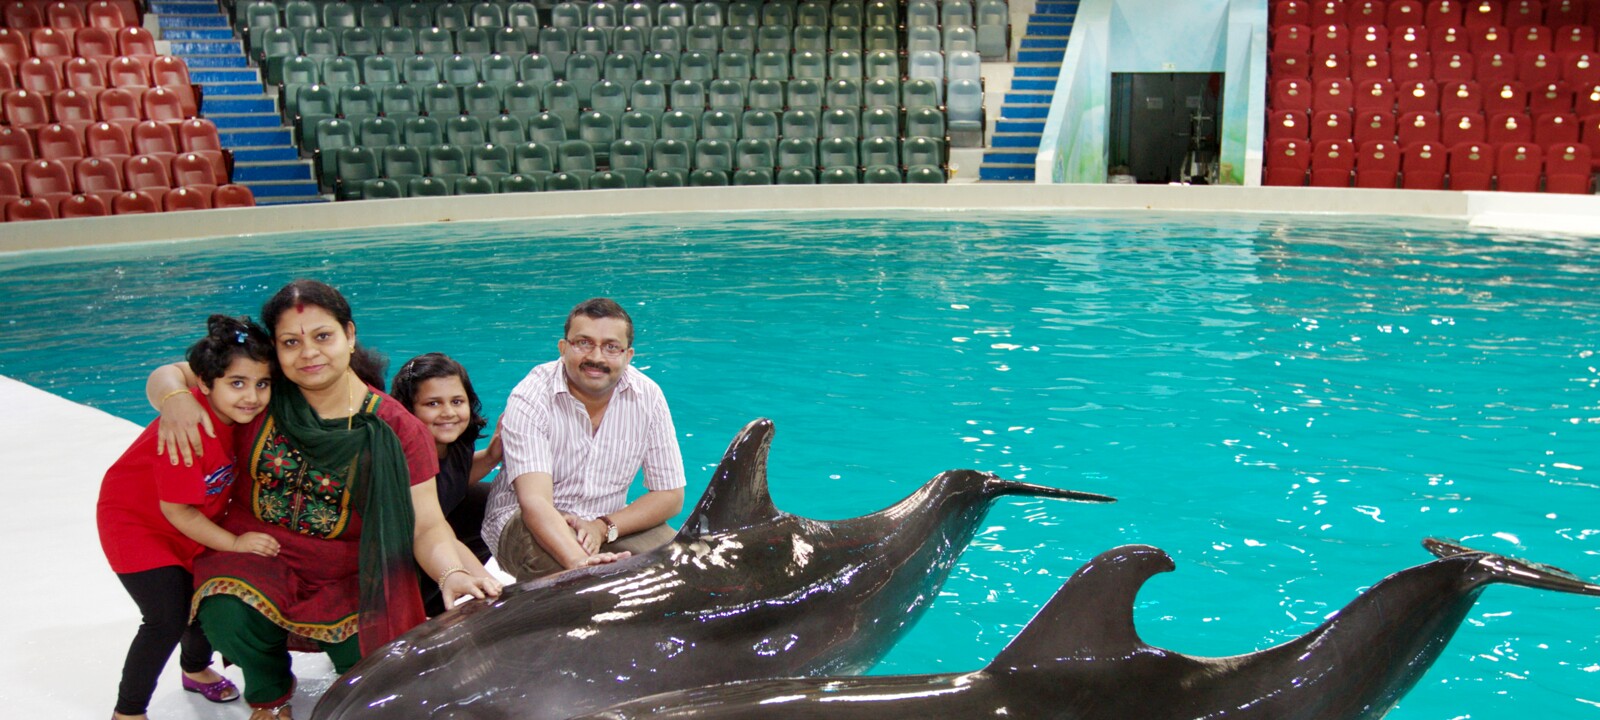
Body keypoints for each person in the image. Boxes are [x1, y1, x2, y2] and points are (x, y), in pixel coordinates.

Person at [147, 280, 502, 720]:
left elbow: (426, 524)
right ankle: (270, 693)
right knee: (227, 612)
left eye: (322, 336)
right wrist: (175, 400)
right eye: (290, 342)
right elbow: (172, 374)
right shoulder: (262, 390)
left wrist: (451, 573)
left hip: (351, 571)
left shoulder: (397, 428)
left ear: (349, 335)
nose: (308, 353)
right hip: (258, 556)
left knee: (377, 673)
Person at [98, 315, 277, 720]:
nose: (251, 396)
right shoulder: (190, 429)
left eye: (262, 384)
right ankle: (128, 711)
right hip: (138, 523)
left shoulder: (242, 417)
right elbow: (175, 510)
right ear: (205, 383)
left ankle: (194, 669)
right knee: (166, 618)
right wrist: (234, 543)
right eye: (237, 383)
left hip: (195, 514)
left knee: (204, 597)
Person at [482, 297, 687, 581]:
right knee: (583, 584)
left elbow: (670, 496)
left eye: (611, 347)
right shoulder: (531, 396)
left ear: (628, 355)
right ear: (563, 348)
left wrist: (603, 527)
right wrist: (581, 563)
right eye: (583, 343)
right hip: (526, 519)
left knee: (684, 568)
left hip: (606, 521)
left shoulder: (648, 397)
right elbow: (535, 502)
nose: (596, 357)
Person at [390, 352, 501, 615]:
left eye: (457, 401)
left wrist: (491, 457)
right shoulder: (404, 459)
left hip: (433, 532)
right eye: (433, 404)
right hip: (402, 551)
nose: (448, 413)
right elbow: (434, 528)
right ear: (408, 409)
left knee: (491, 499)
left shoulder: (457, 441)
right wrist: (491, 587)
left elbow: (453, 481)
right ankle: (434, 597)